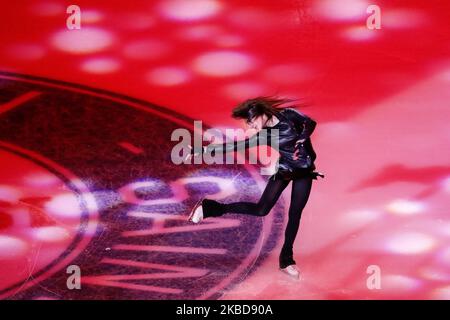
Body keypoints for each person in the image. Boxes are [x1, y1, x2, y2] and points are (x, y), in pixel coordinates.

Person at [185, 96, 324, 279]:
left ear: (261, 113)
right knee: (261, 209)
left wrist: (301, 139)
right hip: (285, 170)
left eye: (252, 121)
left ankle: (286, 260)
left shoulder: (289, 116)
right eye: (248, 124)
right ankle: (210, 207)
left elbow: (310, 123)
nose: (251, 127)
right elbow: (236, 146)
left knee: (295, 213)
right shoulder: (266, 135)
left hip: (305, 172)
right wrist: (202, 151)